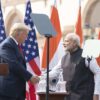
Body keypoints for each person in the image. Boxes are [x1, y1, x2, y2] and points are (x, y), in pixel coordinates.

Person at [48, 33, 96, 100]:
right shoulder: (63, 58)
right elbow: (54, 72)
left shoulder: (87, 55)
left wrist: (96, 93)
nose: (64, 43)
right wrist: (41, 77)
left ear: (74, 43)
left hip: (85, 96)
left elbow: (97, 72)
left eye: (67, 41)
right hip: (68, 96)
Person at [0, 23, 40, 100]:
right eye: (26, 35)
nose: (27, 37)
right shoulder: (6, 45)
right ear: (19, 33)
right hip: (8, 92)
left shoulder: (15, 45)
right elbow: (13, 64)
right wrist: (29, 77)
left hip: (17, 91)